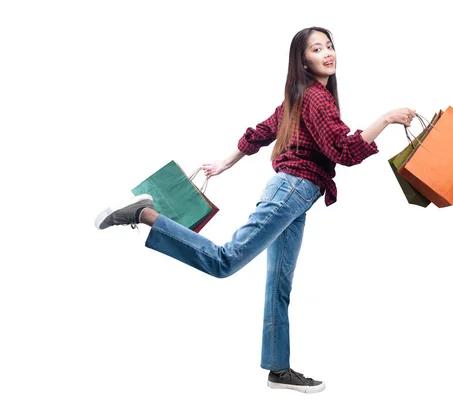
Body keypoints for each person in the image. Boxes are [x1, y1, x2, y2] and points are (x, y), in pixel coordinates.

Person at [95, 26, 415, 394]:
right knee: (225, 261)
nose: (327, 53)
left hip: (296, 196)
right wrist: (387, 118)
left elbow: (262, 131)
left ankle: (279, 369)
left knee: (278, 283)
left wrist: (224, 162)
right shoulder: (315, 97)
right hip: (291, 190)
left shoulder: (301, 96)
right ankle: (145, 215)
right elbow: (343, 151)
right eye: (316, 48)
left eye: (329, 46)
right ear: (303, 60)